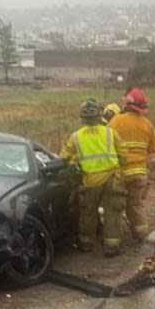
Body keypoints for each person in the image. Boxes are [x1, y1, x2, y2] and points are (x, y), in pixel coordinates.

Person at [60, 99, 125, 257]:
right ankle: (112, 247)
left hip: (90, 181)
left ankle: (86, 244)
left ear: (82, 118)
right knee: (113, 212)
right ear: (99, 116)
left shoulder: (76, 137)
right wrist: (118, 166)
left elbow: (64, 157)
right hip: (112, 178)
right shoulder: (110, 132)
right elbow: (124, 153)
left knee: (87, 212)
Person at [107, 88, 155, 242]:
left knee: (114, 208)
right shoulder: (147, 124)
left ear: (127, 104)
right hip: (140, 173)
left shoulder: (116, 121)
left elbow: (107, 144)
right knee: (135, 205)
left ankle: (113, 243)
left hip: (121, 173)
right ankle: (141, 235)